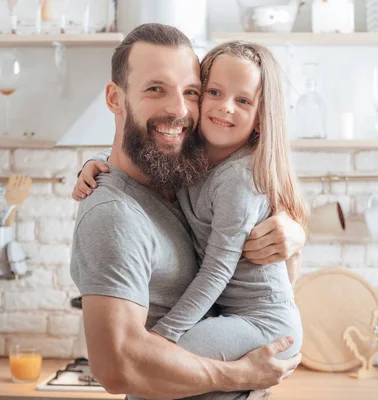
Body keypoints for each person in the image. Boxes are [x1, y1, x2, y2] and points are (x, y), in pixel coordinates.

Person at [69, 23, 306, 400]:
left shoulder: (184, 170)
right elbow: (119, 370)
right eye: (155, 89)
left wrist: (293, 231)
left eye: (190, 92)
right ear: (116, 99)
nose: (178, 109)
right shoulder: (114, 214)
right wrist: (240, 374)